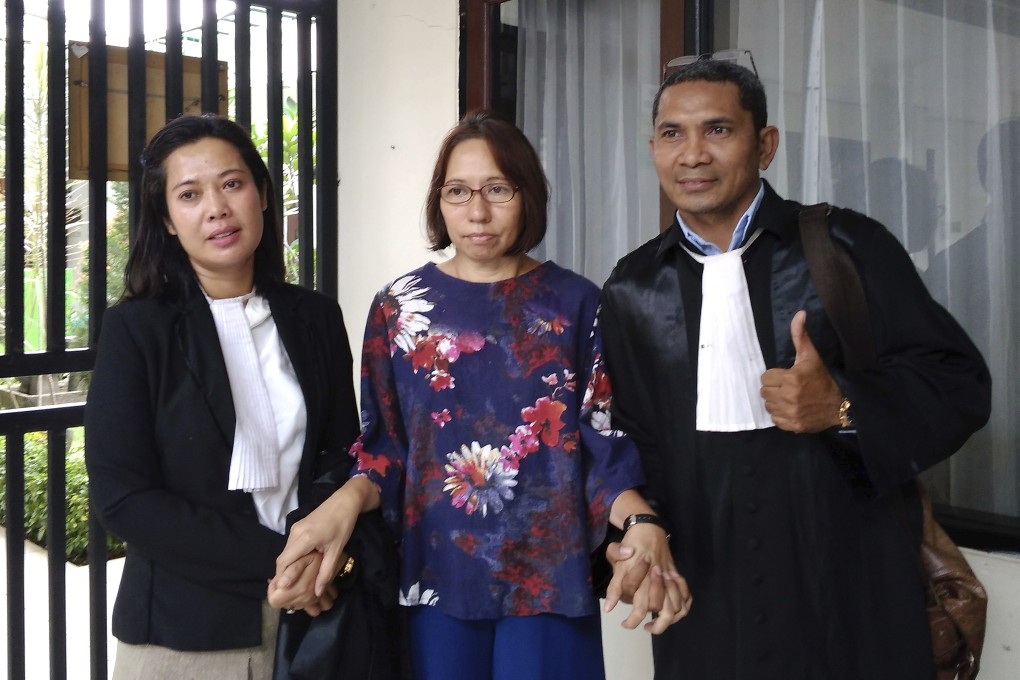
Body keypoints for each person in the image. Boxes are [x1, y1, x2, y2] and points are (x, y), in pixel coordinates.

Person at [598, 58, 991, 679]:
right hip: (704, 592)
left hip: (849, 584)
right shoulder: (632, 286)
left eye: (718, 130)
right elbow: (618, 437)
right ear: (653, 149)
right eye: (673, 134)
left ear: (766, 144)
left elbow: (959, 386)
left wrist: (841, 407)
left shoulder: (846, 249)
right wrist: (635, 540)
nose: (693, 154)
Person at [269, 110, 691, 680]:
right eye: (458, 191)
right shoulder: (400, 307)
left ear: (529, 197)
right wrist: (339, 505)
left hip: (547, 582)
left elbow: (599, 446)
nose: (477, 211)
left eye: (498, 189)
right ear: (438, 202)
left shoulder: (576, 303)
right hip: (433, 578)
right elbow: (386, 446)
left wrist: (643, 525)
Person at [84, 113, 361, 679]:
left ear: (260, 193)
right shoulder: (137, 330)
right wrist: (283, 560)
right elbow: (124, 497)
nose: (217, 208)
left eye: (232, 184)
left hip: (310, 621)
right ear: (166, 218)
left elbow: (343, 453)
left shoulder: (315, 317)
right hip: (184, 633)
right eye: (190, 194)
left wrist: (316, 560)